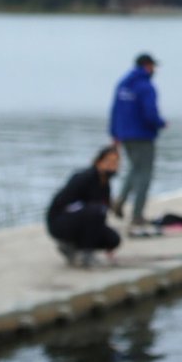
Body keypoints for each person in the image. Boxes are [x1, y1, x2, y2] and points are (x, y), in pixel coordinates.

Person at [110, 53, 167, 234]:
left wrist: (114, 133)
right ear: (147, 66)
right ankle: (137, 215)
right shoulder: (146, 86)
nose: (154, 70)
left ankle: (120, 200)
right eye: (153, 66)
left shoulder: (123, 84)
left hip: (124, 136)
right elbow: (150, 114)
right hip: (143, 137)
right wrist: (161, 123)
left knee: (134, 169)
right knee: (145, 175)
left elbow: (115, 110)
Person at [47, 145, 122, 266]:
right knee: (96, 210)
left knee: (113, 239)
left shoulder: (105, 184)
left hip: (84, 218)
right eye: (109, 162)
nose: (112, 166)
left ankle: (73, 247)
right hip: (60, 221)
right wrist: (87, 209)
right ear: (98, 162)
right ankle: (85, 253)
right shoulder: (83, 177)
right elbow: (63, 203)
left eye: (115, 163)